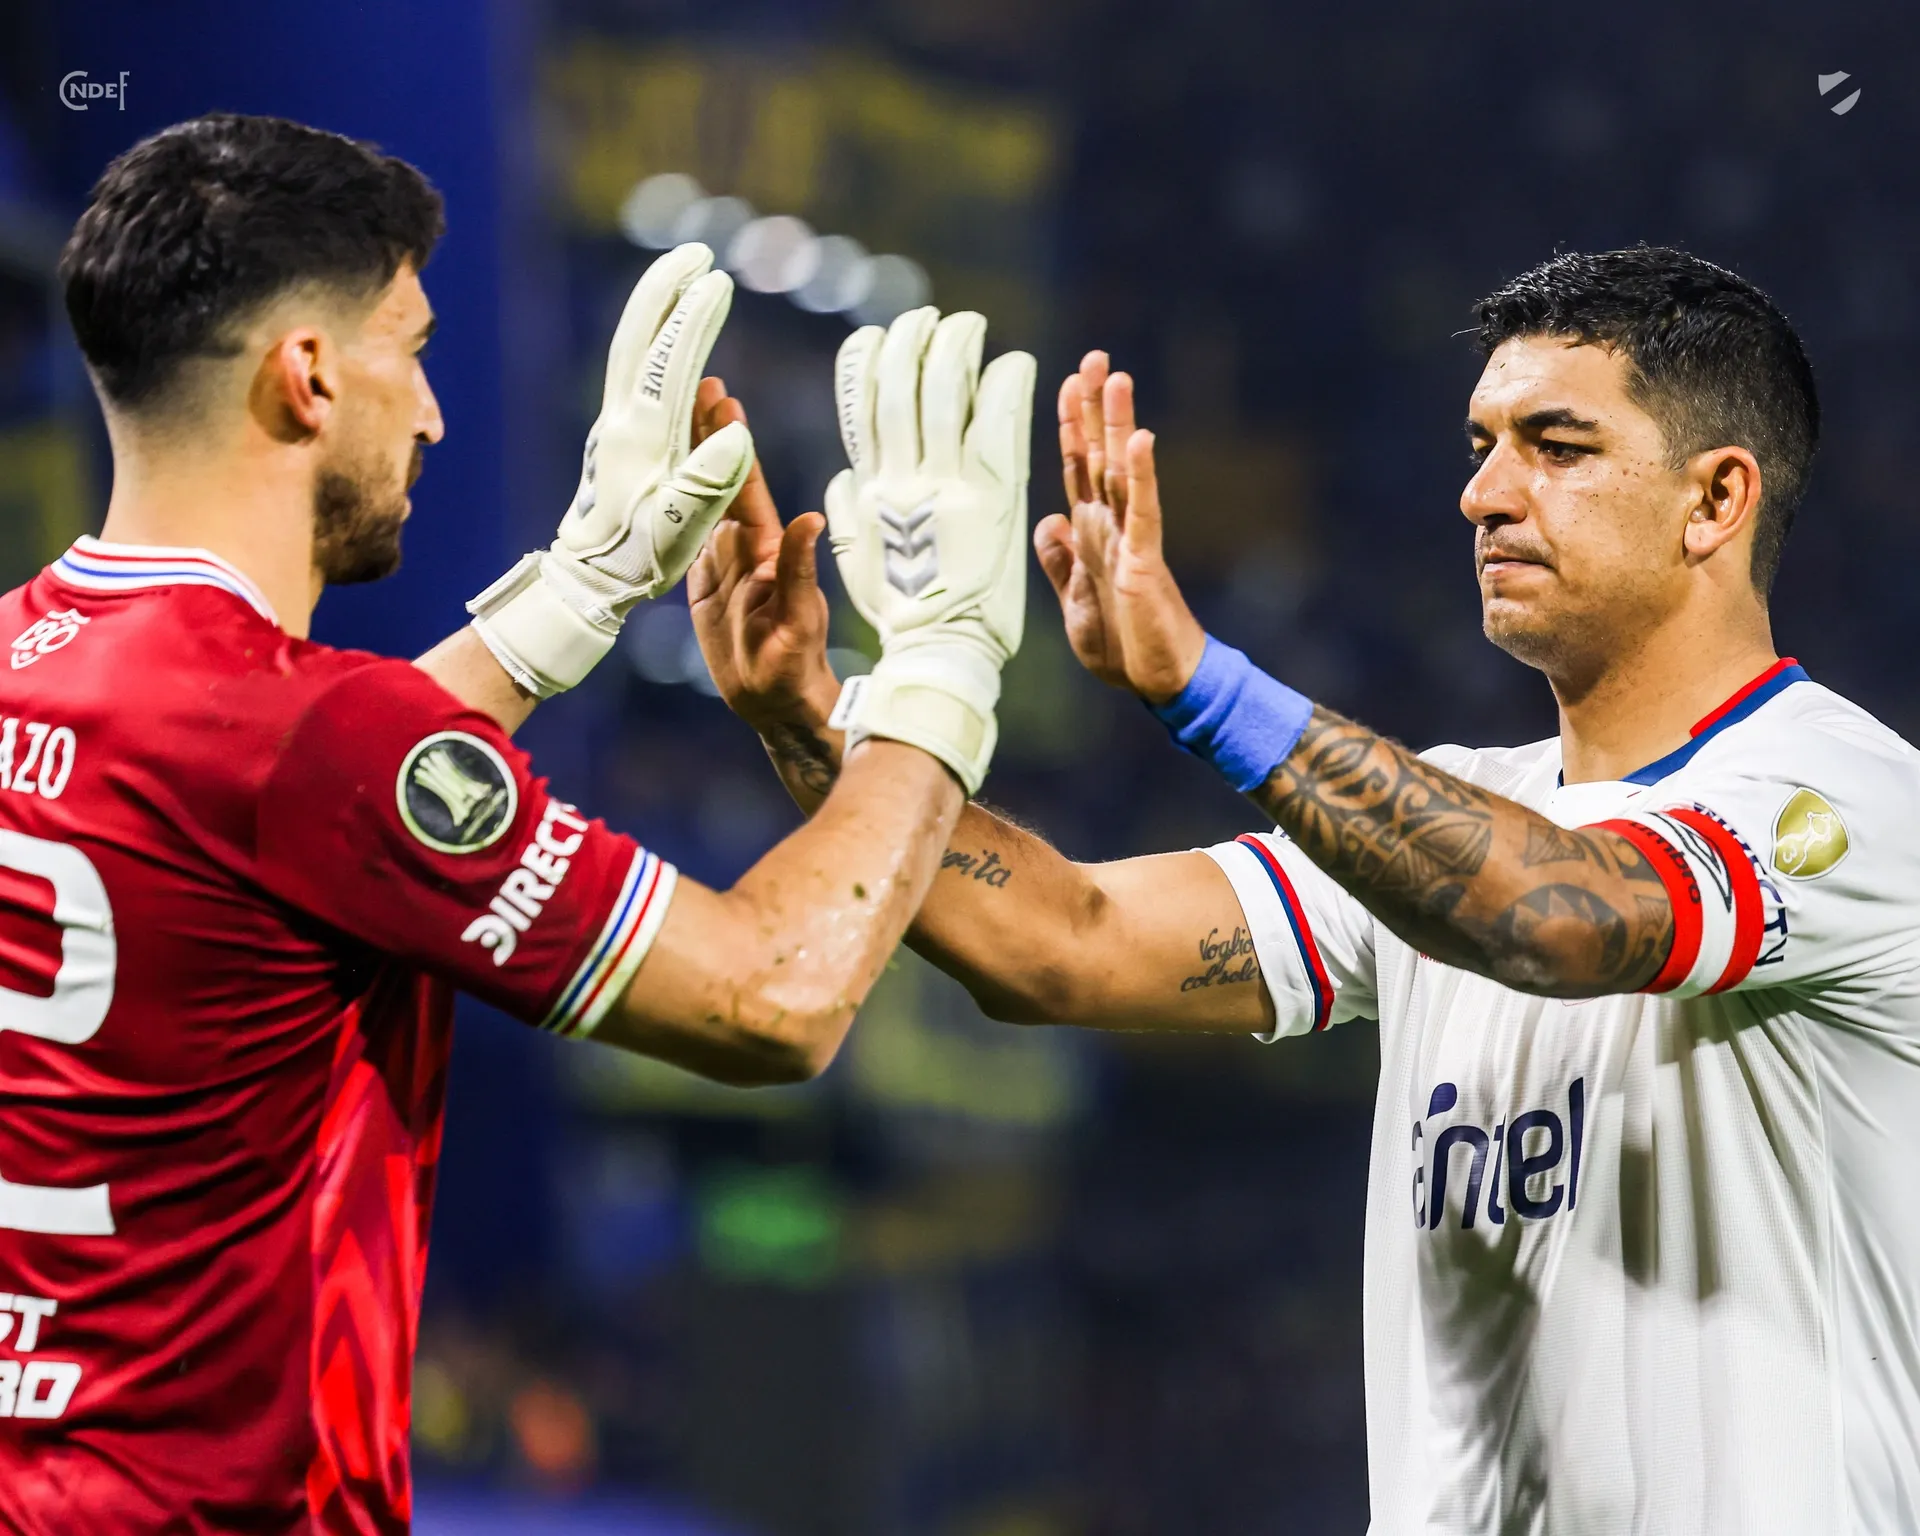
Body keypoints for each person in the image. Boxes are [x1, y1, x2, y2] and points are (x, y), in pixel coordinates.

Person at [695, 247, 1920, 1534]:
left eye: (1557, 447)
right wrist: (811, 722)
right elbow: (1062, 942)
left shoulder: (1846, 801)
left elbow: (1559, 917)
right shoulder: (1458, 812)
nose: (1484, 495)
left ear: (1716, 499)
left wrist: (1201, 685)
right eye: (1481, 446)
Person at [0, 112, 1034, 1534]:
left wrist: (575, 592)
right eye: (411, 351)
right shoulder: (314, 740)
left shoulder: (39, 668)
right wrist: (940, 668)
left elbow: (273, 803)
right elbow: (775, 998)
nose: (431, 413)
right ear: (307, 376)